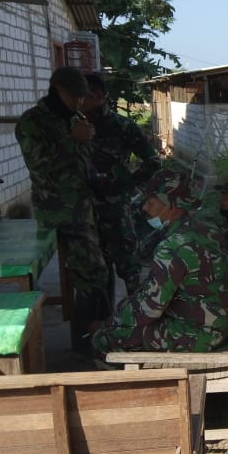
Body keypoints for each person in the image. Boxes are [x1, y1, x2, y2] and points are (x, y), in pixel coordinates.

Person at [15, 66, 110, 359]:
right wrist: (74, 140)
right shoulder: (33, 122)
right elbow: (40, 165)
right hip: (57, 212)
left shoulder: (73, 119)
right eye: (75, 96)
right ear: (59, 91)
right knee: (89, 272)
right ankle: (86, 343)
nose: (80, 103)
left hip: (83, 208)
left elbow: (81, 163)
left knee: (94, 271)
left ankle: (95, 337)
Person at [92, 169, 228, 353]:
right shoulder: (207, 231)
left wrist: (110, 323)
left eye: (151, 203)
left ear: (172, 207)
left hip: (198, 334)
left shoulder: (174, 246)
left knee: (105, 339)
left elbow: (149, 308)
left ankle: (128, 380)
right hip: (217, 326)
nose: (144, 208)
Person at [81, 73, 161, 297]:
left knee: (129, 266)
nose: (79, 101)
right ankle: (103, 322)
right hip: (85, 210)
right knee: (96, 272)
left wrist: (126, 184)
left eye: (83, 95)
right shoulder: (74, 128)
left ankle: (137, 319)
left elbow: (152, 161)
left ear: (98, 96)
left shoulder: (122, 126)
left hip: (116, 210)